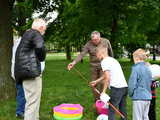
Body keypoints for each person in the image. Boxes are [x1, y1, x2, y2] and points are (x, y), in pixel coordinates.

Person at [14, 18, 47, 120]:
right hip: (31, 73)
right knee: (32, 103)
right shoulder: (35, 33)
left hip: (23, 72)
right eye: (44, 30)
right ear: (41, 28)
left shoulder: (26, 35)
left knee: (31, 101)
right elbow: (40, 47)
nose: (44, 32)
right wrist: (42, 58)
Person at [67, 31, 113, 100]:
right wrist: (74, 62)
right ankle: (97, 101)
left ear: (99, 37)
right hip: (93, 67)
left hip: (104, 66)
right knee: (93, 84)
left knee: (103, 83)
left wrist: (111, 63)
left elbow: (110, 52)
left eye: (96, 40)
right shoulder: (88, 44)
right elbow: (82, 54)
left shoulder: (106, 41)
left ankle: (103, 100)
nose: (94, 41)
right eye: (93, 40)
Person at [90, 45, 128, 120]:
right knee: (122, 108)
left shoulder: (104, 61)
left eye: (96, 54)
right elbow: (106, 75)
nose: (96, 56)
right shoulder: (112, 60)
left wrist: (103, 92)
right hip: (124, 88)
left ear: (101, 53)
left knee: (111, 110)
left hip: (116, 89)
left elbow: (107, 77)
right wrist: (96, 81)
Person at [128, 49, 152, 120]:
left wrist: (130, 93)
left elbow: (132, 84)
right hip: (147, 97)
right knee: (145, 117)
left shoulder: (136, 69)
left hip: (139, 97)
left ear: (137, 58)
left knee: (137, 118)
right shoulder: (148, 68)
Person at [11, 37, 26, 118]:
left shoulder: (18, 43)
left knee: (21, 93)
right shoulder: (22, 43)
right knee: (22, 93)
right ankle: (20, 111)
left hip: (17, 73)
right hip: (20, 73)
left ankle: (20, 111)